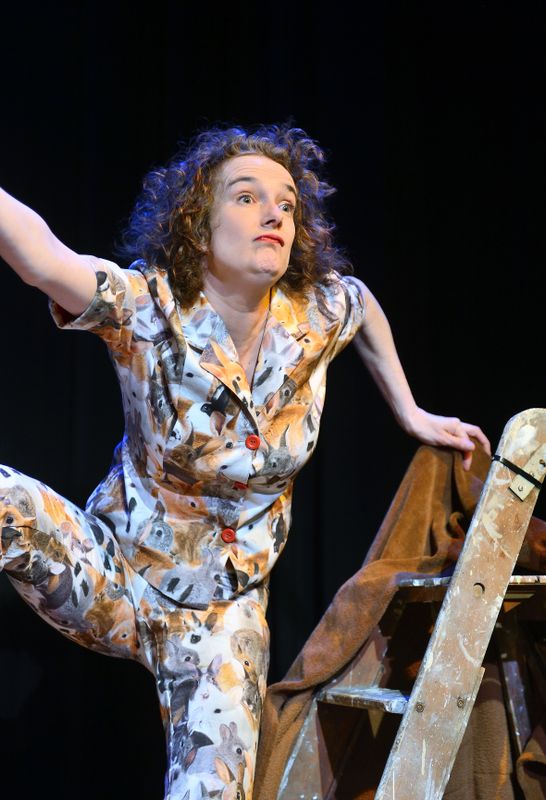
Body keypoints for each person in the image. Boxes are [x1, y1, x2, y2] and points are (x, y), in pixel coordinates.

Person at [0, 124, 490, 800]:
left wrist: (410, 410)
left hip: (221, 619)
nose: (274, 215)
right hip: (113, 574)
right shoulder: (147, 307)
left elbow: (362, 304)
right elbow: (40, 257)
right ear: (198, 227)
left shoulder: (314, 313)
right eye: (247, 197)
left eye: (287, 204)